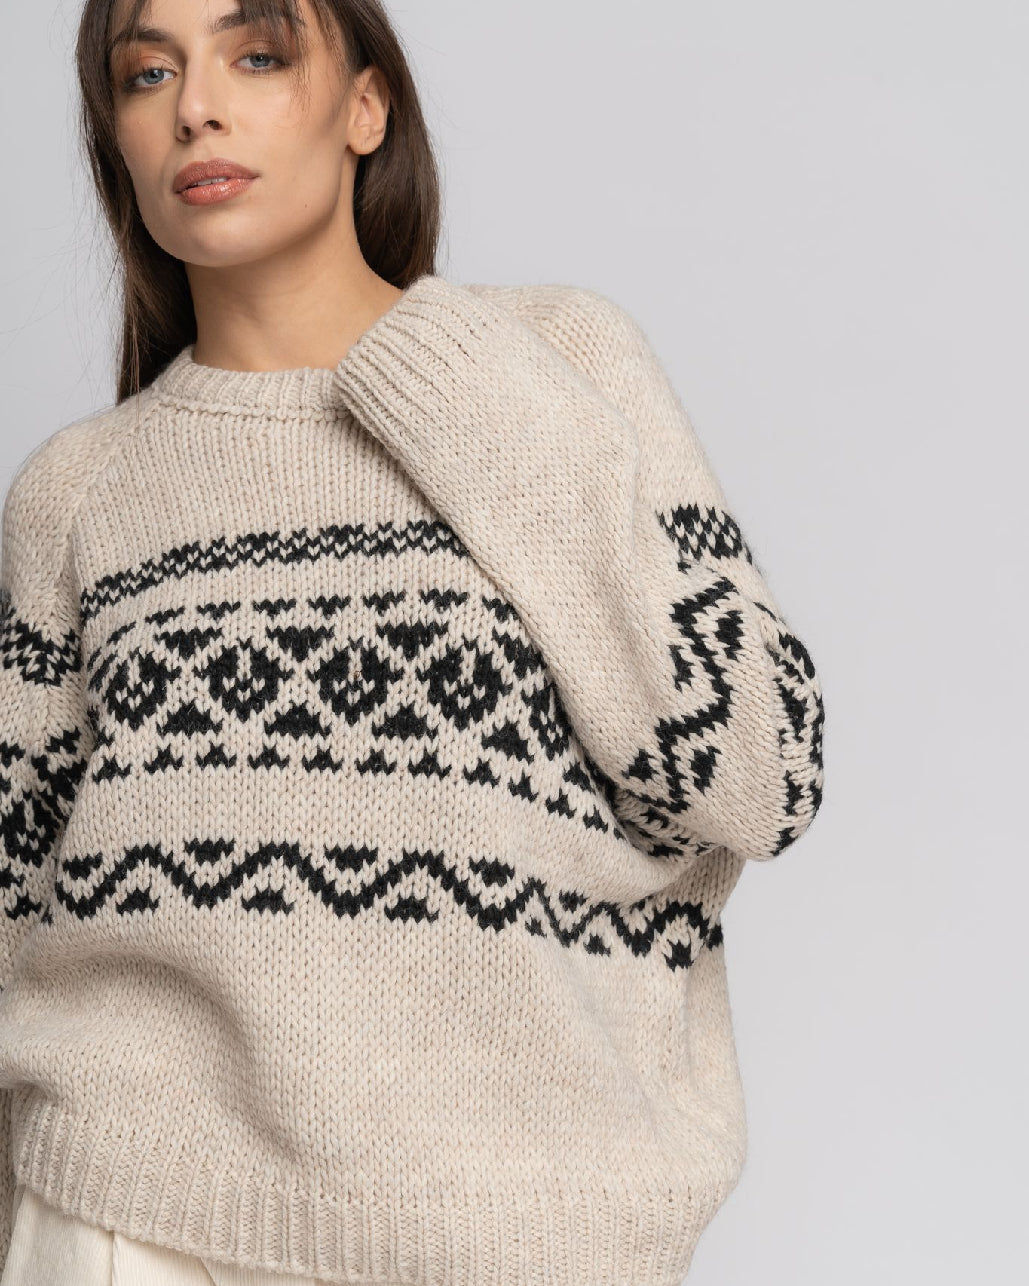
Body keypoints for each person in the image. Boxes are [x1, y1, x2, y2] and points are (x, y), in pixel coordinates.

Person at [0, 1, 827, 1283]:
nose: (196, 106)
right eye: (147, 74)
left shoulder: (552, 362)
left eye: (256, 55)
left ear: (367, 107)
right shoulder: (77, 490)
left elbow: (762, 774)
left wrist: (444, 381)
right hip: (123, 1215)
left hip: (510, 1228)